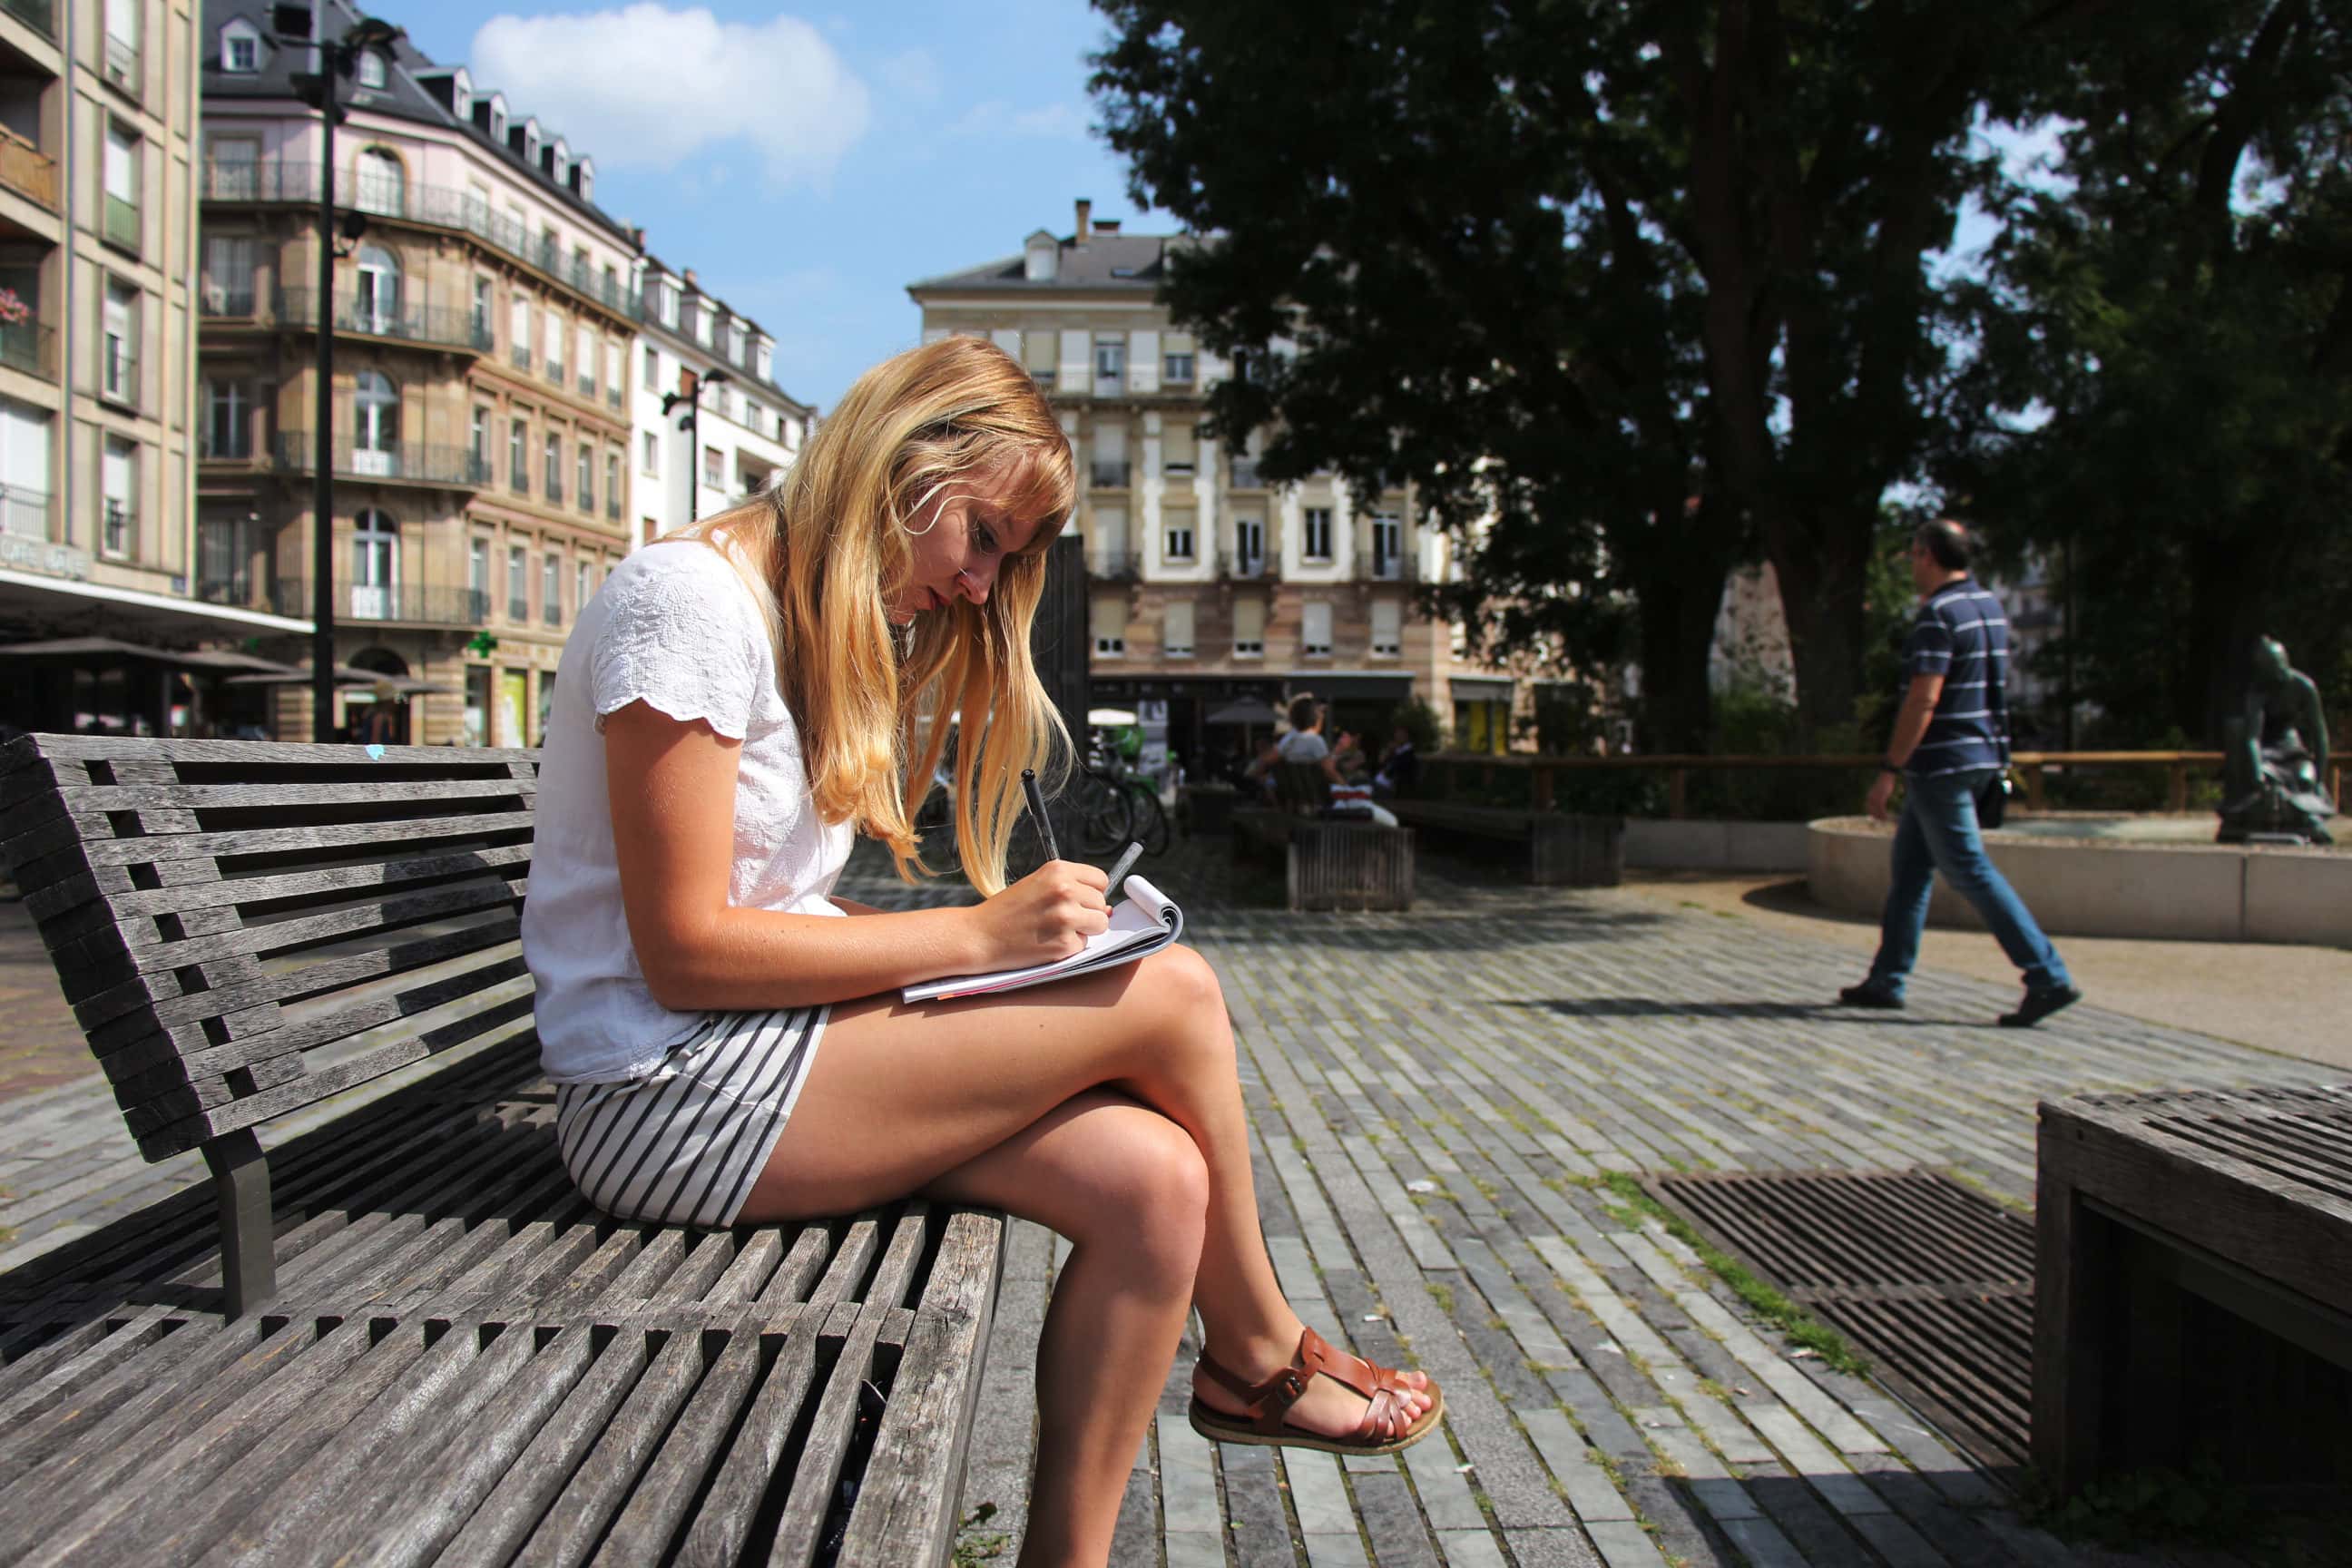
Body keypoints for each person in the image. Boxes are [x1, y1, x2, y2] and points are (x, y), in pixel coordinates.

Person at [518, 338, 1439, 1568]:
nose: (979, 583)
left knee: (1157, 1186)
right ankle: (1258, 1356)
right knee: (1168, 991)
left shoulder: (790, 619)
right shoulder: (685, 603)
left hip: (757, 1063)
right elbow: (682, 953)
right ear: (908, 458)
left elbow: (771, 909)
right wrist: (971, 937)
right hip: (663, 1096)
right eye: (987, 539)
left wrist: (980, 971)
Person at [1838, 520, 2081, 1028]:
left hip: (1940, 762)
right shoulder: (1989, 607)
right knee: (1909, 873)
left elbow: (1923, 697)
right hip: (1981, 756)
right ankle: (1887, 979)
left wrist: (1890, 769)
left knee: (1969, 869)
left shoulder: (1938, 616)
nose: (1910, 567)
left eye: (1911, 557)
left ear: (1926, 555)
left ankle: (2046, 975)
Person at [1374, 725, 1419, 798]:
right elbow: (1381, 764)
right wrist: (1387, 754)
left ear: (1407, 736)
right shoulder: (1397, 751)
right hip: (1380, 785)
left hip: (1391, 789)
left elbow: (1395, 771)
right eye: (1397, 734)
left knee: (1361, 784)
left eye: (1401, 734)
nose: (1397, 736)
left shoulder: (1408, 754)